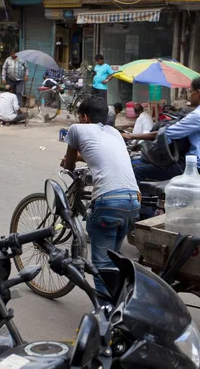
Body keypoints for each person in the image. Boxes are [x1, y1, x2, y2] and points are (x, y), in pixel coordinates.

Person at [61, 96, 140, 300]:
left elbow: (69, 165)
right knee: (114, 259)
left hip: (109, 201)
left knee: (101, 266)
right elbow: (99, 154)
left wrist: (68, 161)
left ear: (85, 117)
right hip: (133, 200)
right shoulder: (114, 132)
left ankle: (106, 314)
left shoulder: (76, 129)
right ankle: (120, 303)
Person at [123, 76, 200, 180]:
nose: (189, 96)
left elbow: (165, 134)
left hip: (194, 168)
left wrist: (131, 137)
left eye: (191, 92)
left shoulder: (198, 115)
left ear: (198, 93)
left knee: (137, 171)